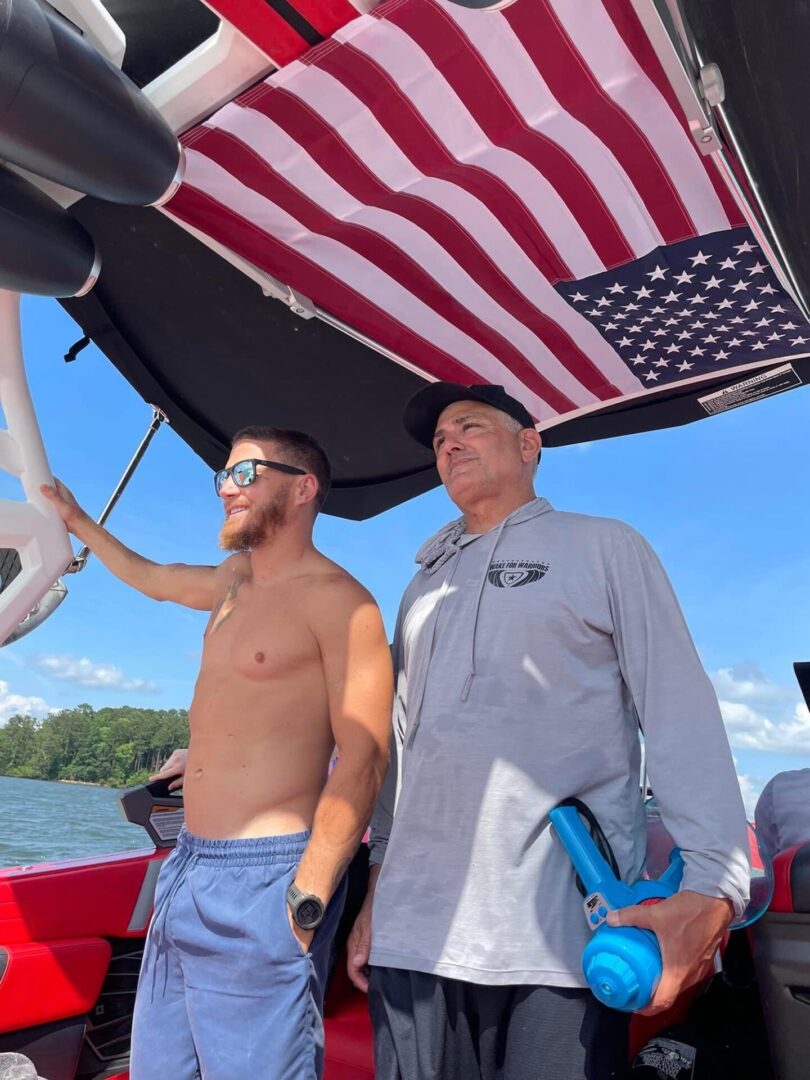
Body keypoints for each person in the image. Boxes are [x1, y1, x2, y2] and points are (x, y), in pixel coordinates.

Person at [346, 383, 751, 1080]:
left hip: (565, 936)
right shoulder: (421, 587)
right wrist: (377, 894)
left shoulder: (604, 547)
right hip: (415, 936)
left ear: (529, 443)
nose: (449, 444)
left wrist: (714, 885)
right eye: (440, 441)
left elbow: (678, 706)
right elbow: (401, 748)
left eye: (468, 426)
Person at [41, 426, 393, 1080]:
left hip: (268, 875)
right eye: (222, 477)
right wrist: (76, 519)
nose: (226, 489)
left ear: (303, 487)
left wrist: (307, 897)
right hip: (187, 866)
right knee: (160, 1069)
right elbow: (154, 579)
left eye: (246, 474)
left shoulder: (344, 605)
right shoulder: (233, 580)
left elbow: (366, 757)